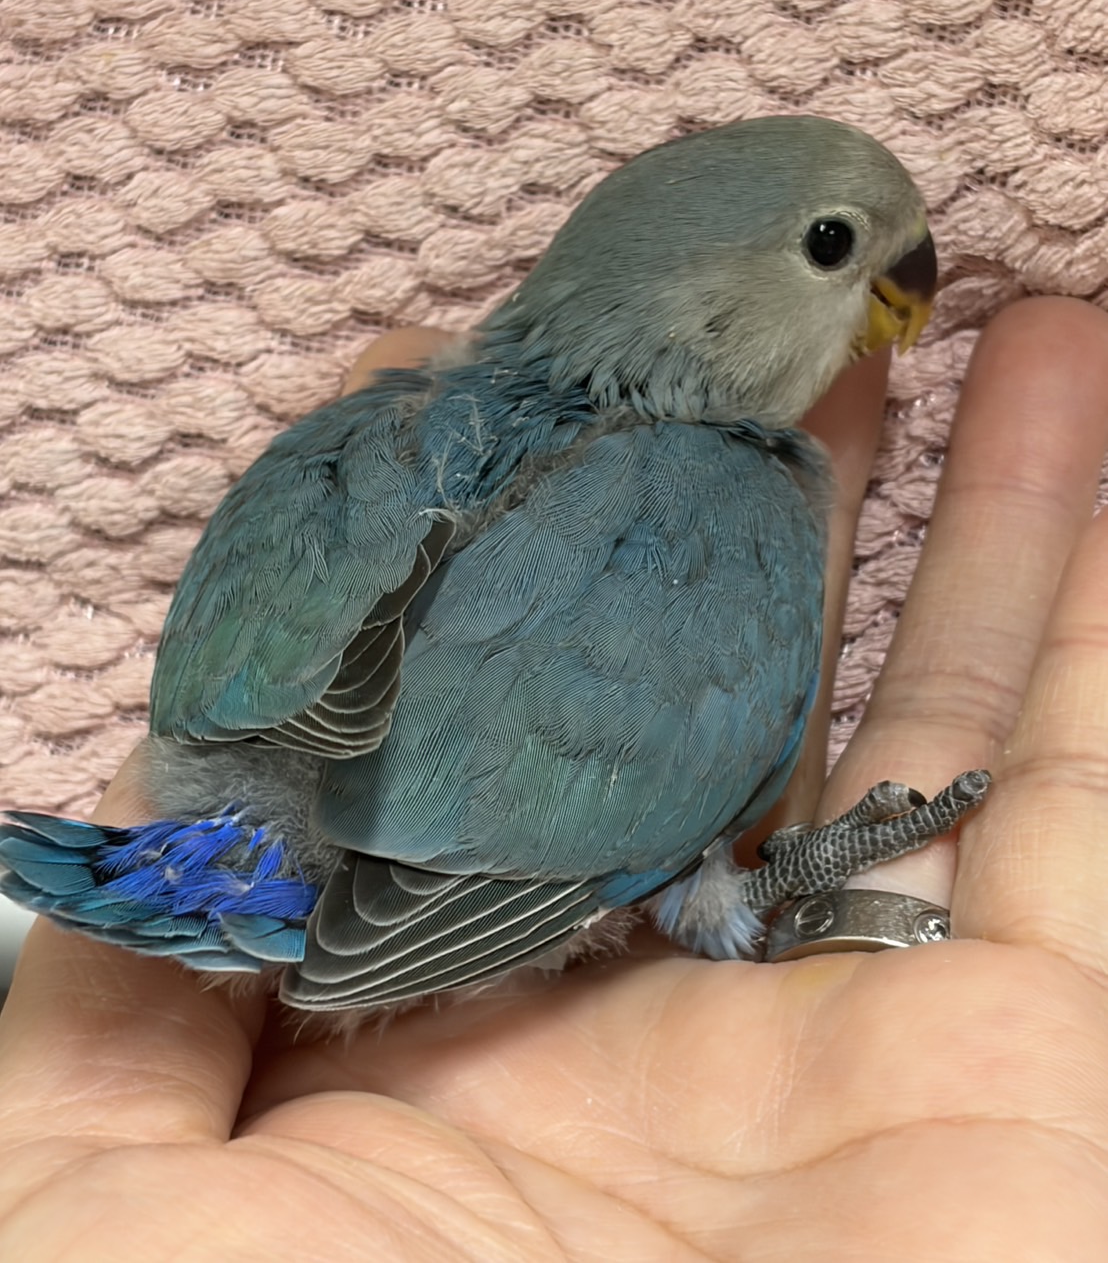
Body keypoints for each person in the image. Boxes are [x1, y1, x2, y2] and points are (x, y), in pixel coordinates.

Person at [1, 296, 1106, 1260]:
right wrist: (763, 895)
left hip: (238, 824)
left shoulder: (371, 436)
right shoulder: (743, 523)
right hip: (372, 862)